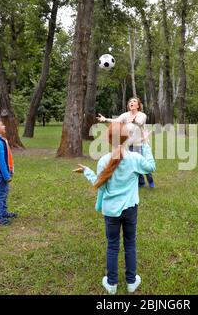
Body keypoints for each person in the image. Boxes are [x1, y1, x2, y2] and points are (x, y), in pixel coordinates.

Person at [73, 123, 155, 294]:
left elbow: (99, 185)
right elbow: (151, 167)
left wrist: (87, 171)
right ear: (128, 138)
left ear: (109, 140)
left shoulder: (103, 161)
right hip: (130, 210)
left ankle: (111, 284)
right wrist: (146, 143)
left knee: (112, 246)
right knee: (130, 243)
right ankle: (132, 282)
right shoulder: (135, 159)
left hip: (110, 211)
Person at [97, 97, 155, 188]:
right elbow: (117, 121)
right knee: (134, 163)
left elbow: (140, 122)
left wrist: (134, 121)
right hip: (130, 143)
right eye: (130, 101)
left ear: (138, 105)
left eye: (134, 101)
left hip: (141, 143)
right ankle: (141, 182)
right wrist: (106, 119)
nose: (131, 102)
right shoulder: (125, 115)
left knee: (143, 163)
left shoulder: (142, 115)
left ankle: (150, 181)